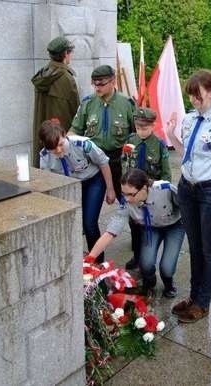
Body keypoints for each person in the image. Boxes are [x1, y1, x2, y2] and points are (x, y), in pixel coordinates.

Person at [166, 69, 211, 323]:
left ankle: (203, 302)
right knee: (194, 247)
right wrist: (173, 133)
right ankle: (193, 296)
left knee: (209, 250)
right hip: (187, 189)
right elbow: (185, 153)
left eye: (197, 95)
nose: (193, 100)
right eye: (191, 95)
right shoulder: (188, 119)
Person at [86, 168, 184, 298]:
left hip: (174, 226)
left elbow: (186, 204)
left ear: (144, 188)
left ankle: (168, 284)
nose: (126, 198)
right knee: (146, 263)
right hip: (151, 229)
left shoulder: (164, 189)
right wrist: (89, 259)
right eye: (123, 193)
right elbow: (110, 233)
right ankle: (149, 282)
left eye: (130, 194)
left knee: (167, 266)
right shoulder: (126, 203)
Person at [39, 119, 116, 263]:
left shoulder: (83, 145)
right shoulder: (44, 156)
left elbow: (103, 163)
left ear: (64, 135)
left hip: (93, 180)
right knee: (73, 222)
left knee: (89, 223)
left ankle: (98, 264)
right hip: (71, 186)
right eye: (53, 149)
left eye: (60, 145)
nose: (59, 151)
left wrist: (110, 190)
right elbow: (47, 181)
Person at [70, 65, 136, 198]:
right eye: (94, 84)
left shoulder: (126, 104)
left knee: (124, 200)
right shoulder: (88, 103)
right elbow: (74, 131)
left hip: (117, 160)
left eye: (101, 84)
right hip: (93, 161)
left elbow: (135, 134)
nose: (97, 87)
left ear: (113, 82)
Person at [121, 107, 172, 270]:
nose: (141, 132)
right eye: (138, 128)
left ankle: (146, 259)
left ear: (153, 126)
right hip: (133, 194)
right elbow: (125, 163)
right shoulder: (131, 140)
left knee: (147, 228)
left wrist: (162, 194)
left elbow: (166, 172)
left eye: (145, 128)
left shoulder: (159, 145)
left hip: (150, 193)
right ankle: (136, 256)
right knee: (134, 227)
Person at [31, 36, 80, 167]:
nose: (71, 55)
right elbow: (76, 113)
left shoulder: (43, 73)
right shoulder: (66, 78)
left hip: (45, 133)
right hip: (60, 138)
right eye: (70, 52)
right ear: (65, 54)